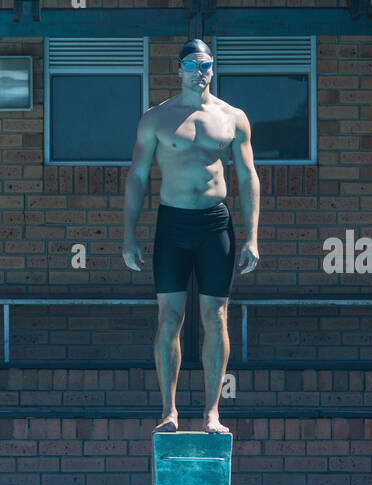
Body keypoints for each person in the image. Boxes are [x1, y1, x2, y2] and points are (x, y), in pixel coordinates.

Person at [122, 38, 260, 435]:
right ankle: (169, 411)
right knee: (170, 317)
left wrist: (252, 237)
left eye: (207, 65)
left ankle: (212, 413)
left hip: (215, 224)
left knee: (216, 317)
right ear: (179, 69)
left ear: (213, 70)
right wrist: (128, 236)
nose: (200, 72)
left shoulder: (233, 118)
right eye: (193, 65)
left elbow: (248, 177)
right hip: (173, 225)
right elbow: (137, 176)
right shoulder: (157, 118)